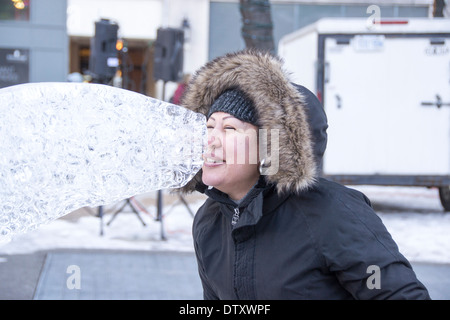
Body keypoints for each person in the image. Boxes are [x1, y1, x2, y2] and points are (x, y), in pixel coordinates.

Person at [178, 49, 430, 300]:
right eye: (209, 125)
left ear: (272, 145)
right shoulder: (208, 221)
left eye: (229, 128)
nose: (209, 139)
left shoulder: (332, 213)